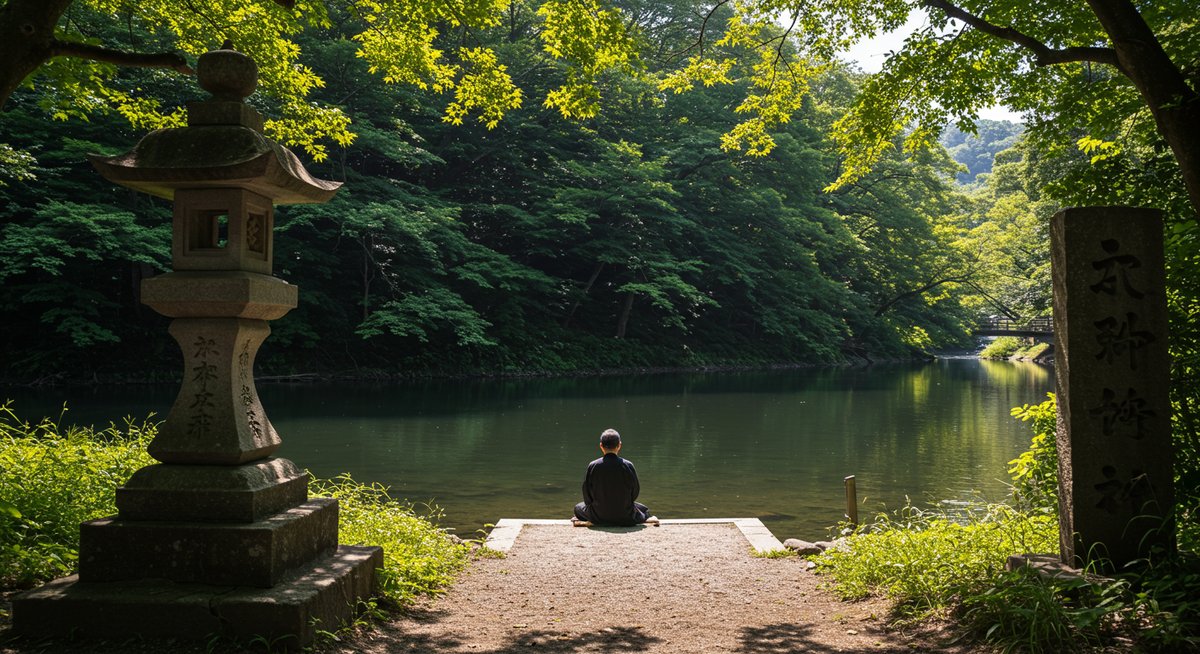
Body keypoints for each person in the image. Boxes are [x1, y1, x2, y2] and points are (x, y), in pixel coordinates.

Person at [573, 428, 653, 526]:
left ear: (601, 446)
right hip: (625, 516)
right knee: (643, 509)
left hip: (598, 515)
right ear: (619, 445)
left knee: (578, 508)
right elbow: (635, 492)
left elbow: (587, 493)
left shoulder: (593, 465)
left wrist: (593, 505)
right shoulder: (628, 465)